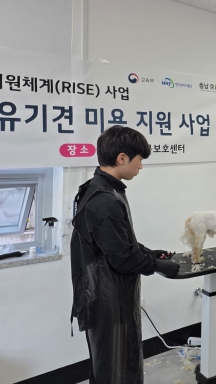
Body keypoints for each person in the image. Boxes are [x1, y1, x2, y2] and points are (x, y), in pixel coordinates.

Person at [70, 125, 180, 384]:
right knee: (115, 369)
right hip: (106, 300)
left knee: (120, 363)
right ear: (122, 158)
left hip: (112, 294)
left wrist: (148, 252)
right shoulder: (104, 200)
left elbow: (117, 242)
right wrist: (159, 266)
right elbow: (123, 258)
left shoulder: (106, 189)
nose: (140, 166)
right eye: (139, 160)